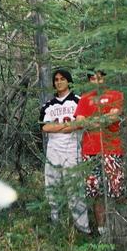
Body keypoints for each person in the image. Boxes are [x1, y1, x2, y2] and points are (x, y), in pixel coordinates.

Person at [39, 68, 91, 234]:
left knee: (75, 189)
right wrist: (65, 126)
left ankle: (83, 228)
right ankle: (57, 226)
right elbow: (45, 127)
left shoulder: (78, 101)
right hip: (53, 149)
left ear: (68, 81)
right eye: (56, 79)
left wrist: (59, 127)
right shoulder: (48, 105)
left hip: (72, 149)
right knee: (52, 186)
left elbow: (80, 124)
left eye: (62, 79)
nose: (59, 82)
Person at [74, 70, 125, 235]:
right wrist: (101, 120)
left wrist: (93, 121)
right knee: (96, 193)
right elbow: (81, 122)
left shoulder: (115, 95)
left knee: (116, 190)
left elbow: (113, 117)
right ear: (90, 80)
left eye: (100, 77)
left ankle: (119, 228)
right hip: (90, 152)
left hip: (111, 150)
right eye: (93, 78)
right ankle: (102, 231)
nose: (97, 80)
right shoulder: (84, 99)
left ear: (105, 78)